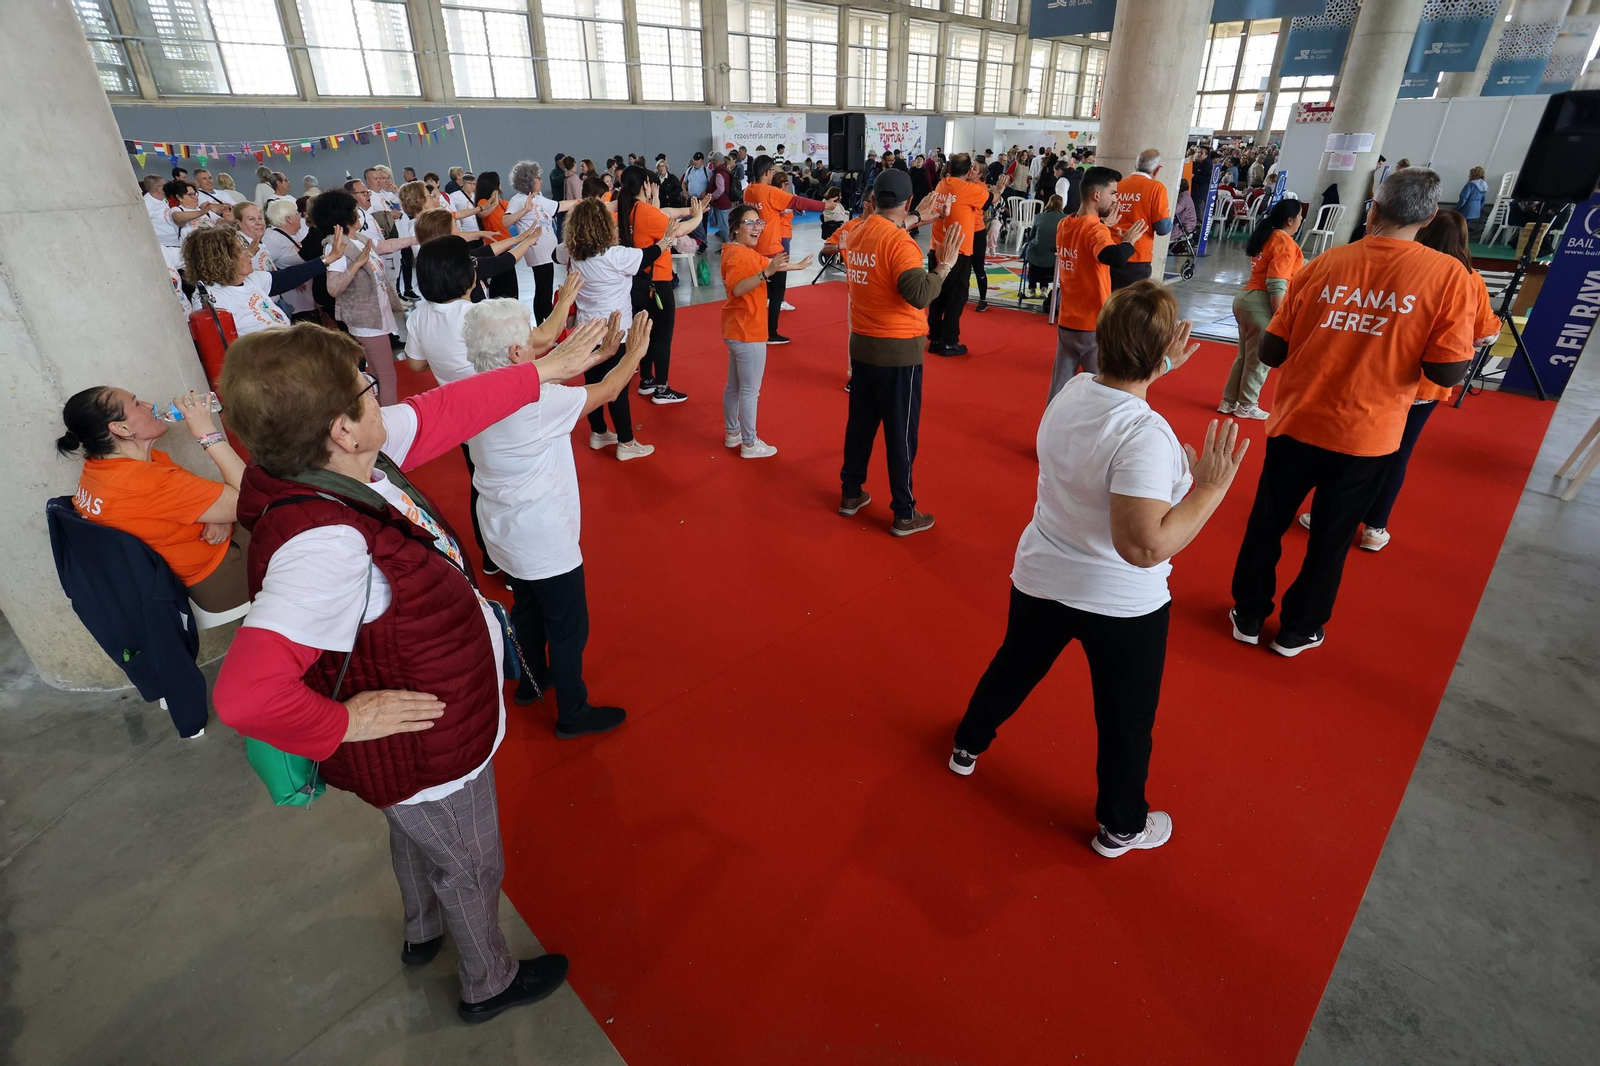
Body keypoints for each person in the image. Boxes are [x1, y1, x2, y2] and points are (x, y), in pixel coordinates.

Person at [212, 321, 612, 1026]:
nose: (383, 397)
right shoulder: (326, 543)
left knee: (413, 832)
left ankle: (422, 927)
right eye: (368, 389)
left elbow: (439, 413)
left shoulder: (318, 461)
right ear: (341, 428)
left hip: (404, 757)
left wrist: (539, 375)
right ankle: (489, 981)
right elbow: (245, 694)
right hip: (426, 747)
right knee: (473, 862)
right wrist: (345, 723)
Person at [948, 282, 1248, 857]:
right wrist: (1208, 487)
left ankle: (968, 744)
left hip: (1042, 574)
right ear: (1159, 356)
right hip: (1120, 603)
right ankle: (1121, 825)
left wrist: (1155, 369)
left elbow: (1113, 402)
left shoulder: (1073, 390)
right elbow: (1143, 547)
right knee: (1125, 717)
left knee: (1014, 667)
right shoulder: (1147, 434)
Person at [1228, 168, 1477, 657]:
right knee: (1331, 536)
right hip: (1369, 433)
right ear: (1428, 217)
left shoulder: (1323, 264)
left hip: (1298, 420)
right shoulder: (1450, 278)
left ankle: (1249, 612)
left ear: (1373, 210)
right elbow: (1447, 373)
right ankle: (1299, 629)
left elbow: (1273, 352)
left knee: (1268, 522)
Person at [461, 299, 651, 736]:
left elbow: (548, 369)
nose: (537, 342)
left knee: (527, 606)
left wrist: (599, 354)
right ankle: (573, 711)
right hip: (542, 536)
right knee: (569, 628)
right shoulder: (538, 401)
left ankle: (529, 683)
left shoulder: (474, 388)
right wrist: (633, 355)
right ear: (514, 353)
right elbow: (605, 392)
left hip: (502, 530)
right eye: (529, 338)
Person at [1299, 208, 1502, 551]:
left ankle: (1327, 514)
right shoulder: (1469, 279)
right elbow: (1487, 332)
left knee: (1347, 446)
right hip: (1426, 388)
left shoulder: (1408, 269)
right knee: (1398, 454)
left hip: (1383, 378)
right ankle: (1375, 527)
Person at [839, 168, 962, 536]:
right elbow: (919, 293)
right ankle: (904, 512)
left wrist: (914, 219)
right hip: (897, 354)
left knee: (859, 427)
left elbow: (886, 230)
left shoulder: (856, 232)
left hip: (862, 347)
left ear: (873, 200)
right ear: (908, 201)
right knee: (900, 434)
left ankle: (850, 493)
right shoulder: (901, 245)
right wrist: (945, 266)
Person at [59, 385, 249, 614]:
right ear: (122, 428)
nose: (150, 405)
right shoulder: (147, 481)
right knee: (285, 507)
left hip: (184, 573)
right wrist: (207, 435)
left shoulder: (98, 469)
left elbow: (192, 500)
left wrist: (220, 515)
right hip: (217, 577)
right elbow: (249, 500)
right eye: (137, 403)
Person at [557, 197, 670, 461]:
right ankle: (626, 442)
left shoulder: (571, 252)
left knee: (593, 382)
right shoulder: (616, 255)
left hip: (586, 331)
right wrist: (666, 241)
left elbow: (555, 253)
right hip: (615, 332)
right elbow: (648, 255)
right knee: (617, 386)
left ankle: (599, 432)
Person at [720, 203, 812, 459]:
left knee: (735, 387)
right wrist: (766, 274)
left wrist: (797, 267)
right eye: (750, 223)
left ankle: (733, 433)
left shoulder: (740, 251)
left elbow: (770, 264)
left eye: (758, 223)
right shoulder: (739, 255)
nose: (756, 228)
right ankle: (749, 443)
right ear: (736, 228)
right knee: (749, 391)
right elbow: (738, 288)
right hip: (747, 330)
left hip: (738, 329)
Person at [1049, 167, 1146, 400]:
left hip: (1067, 322)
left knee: (1060, 387)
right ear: (1096, 195)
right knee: (1103, 390)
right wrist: (1129, 242)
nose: (1116, 199)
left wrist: (1105, 224)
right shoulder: (1094, 229)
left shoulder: (1066, 224)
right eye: (1113, 193)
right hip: (1091, 324)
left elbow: (1088, 245)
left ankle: (1051, 430)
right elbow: (1113, 257)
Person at [616, 165, 708, 403]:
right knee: (661, 335)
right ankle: (662, 387)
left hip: (638, 280)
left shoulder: (628, 208)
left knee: (645, 330)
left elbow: (665, 212)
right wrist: (697, 216)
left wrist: (689, 208)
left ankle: (647, 379)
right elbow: (678, 230)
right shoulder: (645, 212)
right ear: (646, 185)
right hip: (657, 282)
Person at [309, 191, 406, 405]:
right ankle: (391, 424)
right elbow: (333, 288)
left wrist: (422, 237)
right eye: (353, 210)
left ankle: (379, 416)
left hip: (374, 316)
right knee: (387, 377)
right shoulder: (337, 246)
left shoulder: (357, 239)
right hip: (366, 320)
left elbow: (384, 246)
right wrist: (356, 265)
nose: (358, 214)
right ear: (344, 217)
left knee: (378, 376)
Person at [1220, 199, 1303, 420]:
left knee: (1244, 357)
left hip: (1245, 300)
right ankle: (1247, 405)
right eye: (1300, 216)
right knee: (1258, 361)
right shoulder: (1285, 244)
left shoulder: (1268, 236)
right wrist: (1281, 316)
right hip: (1262, 304)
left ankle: (1229, 401)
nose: (1301, 220)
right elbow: (1277, 283)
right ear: (1290, 220)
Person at [182, 223, 337, 337]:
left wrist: (327, 259)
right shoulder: (212, 301)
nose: (249, 254)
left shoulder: (250, 279)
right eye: (241, 250)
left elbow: (290, 276)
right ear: (223, 260)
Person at [741, 155, 827, 345]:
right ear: (768, 172)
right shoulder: (769, 192)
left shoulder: (748, 191)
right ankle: (771, 332)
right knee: (777, 292)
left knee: (759, 292)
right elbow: (798, 202)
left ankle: (756, 329)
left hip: (754, 250)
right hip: (772, 250)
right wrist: (825, 206)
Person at [924, 154, 989, 357]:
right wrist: (1000, 190)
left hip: (937, 248)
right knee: (957, 297)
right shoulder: (969, 189)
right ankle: (950, 341)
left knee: (937, 295)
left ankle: (934, 338)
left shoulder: (941, 185)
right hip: (958, 252)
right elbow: (988, 201)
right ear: (970, 171)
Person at [1109, 150, 1173, 291]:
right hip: (1137, 255)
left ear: (1135, 165)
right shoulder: (1156, 188)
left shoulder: (1118, 185)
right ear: (1157, 169)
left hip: (1111, 252)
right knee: (1131, 306)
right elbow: (1163, 228)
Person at [262, 198, 318, 321]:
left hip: (309, 300)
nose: (300, 217)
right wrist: (292, 277)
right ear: (288, 219)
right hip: (296, 306)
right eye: (297, 213)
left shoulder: (297, 232)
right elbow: (265, 267)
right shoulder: (272, 239)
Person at [1024, 194, 1065, 299]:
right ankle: (1044, 288)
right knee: (1048, 252)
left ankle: (1032, 288)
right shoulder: (1065, 219)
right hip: (1055, 257)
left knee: (1033, 249)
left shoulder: (1039, 217)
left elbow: (1031, 236)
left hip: (1037, 255)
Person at [1457, 165, 1491, 237]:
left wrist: (1457, 208)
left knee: (1459, 226)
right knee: (1466, 226)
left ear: (1473, 175)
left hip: (1467, 208)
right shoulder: (1484, 185)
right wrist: (1479, 208)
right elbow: (1483, 200)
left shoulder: (1470, 184)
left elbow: (1464, 198)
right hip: (1476, 209)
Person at [708, 151, 734, 244]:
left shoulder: (719, 173)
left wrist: (711, 197)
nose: (712, 163)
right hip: (724, 202)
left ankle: (727, 246)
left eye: (713, 161)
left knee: (723, 227)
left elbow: (720, 190)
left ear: (715, 161)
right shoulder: (725, 170)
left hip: (721, 203)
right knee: (724, 225)